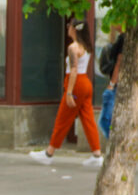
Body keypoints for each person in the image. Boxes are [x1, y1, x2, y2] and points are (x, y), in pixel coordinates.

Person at [29, 19, 103, 167]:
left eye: (69, 26)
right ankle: (97, 154)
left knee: (62, 119)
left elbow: (73, 70)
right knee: (88, 119)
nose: (67, 28)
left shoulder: (73, 47)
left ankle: (49, 153)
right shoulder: (86, 46)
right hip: (85, 83)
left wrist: (69, 92)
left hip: (75, 84)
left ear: (75, 29)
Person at [99, 32, 124, 138]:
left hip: (116, 84)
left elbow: (119, 62)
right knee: (107, 119)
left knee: (105, 119)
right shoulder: (120, 37)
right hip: (119, 84)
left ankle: (113, 139)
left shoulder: (123, 38)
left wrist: (112, 83)